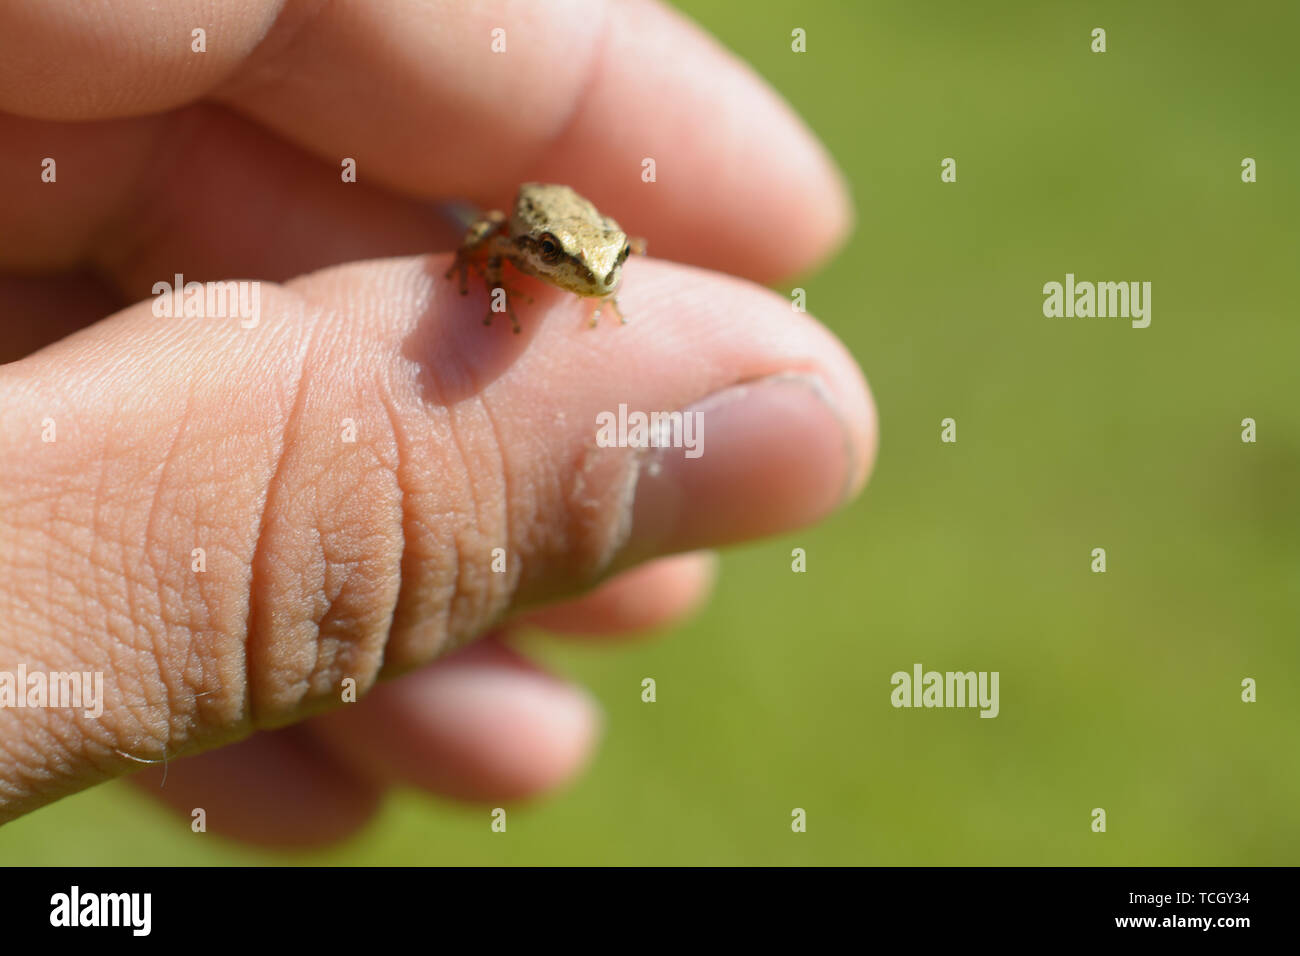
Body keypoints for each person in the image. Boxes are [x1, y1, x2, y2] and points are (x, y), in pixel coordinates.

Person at [0, 0, 876, 845]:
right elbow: (494, 241)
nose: (587, 278)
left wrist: (597, 276)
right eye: (571, 265)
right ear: (543, 256)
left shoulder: (592, 257)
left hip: (572, 217)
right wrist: (494, 276)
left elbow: (598, 255)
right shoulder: (520, 245)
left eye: (599, 268)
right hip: (536, 215)